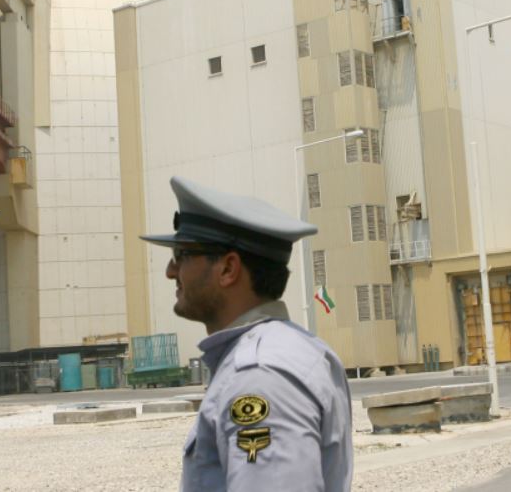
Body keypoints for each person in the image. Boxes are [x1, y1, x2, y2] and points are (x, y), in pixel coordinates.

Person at [142, 176, 353, 492]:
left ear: (228, 269)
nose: (171, 272)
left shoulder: (261, 375)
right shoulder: (287, 349)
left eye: (182, 255)